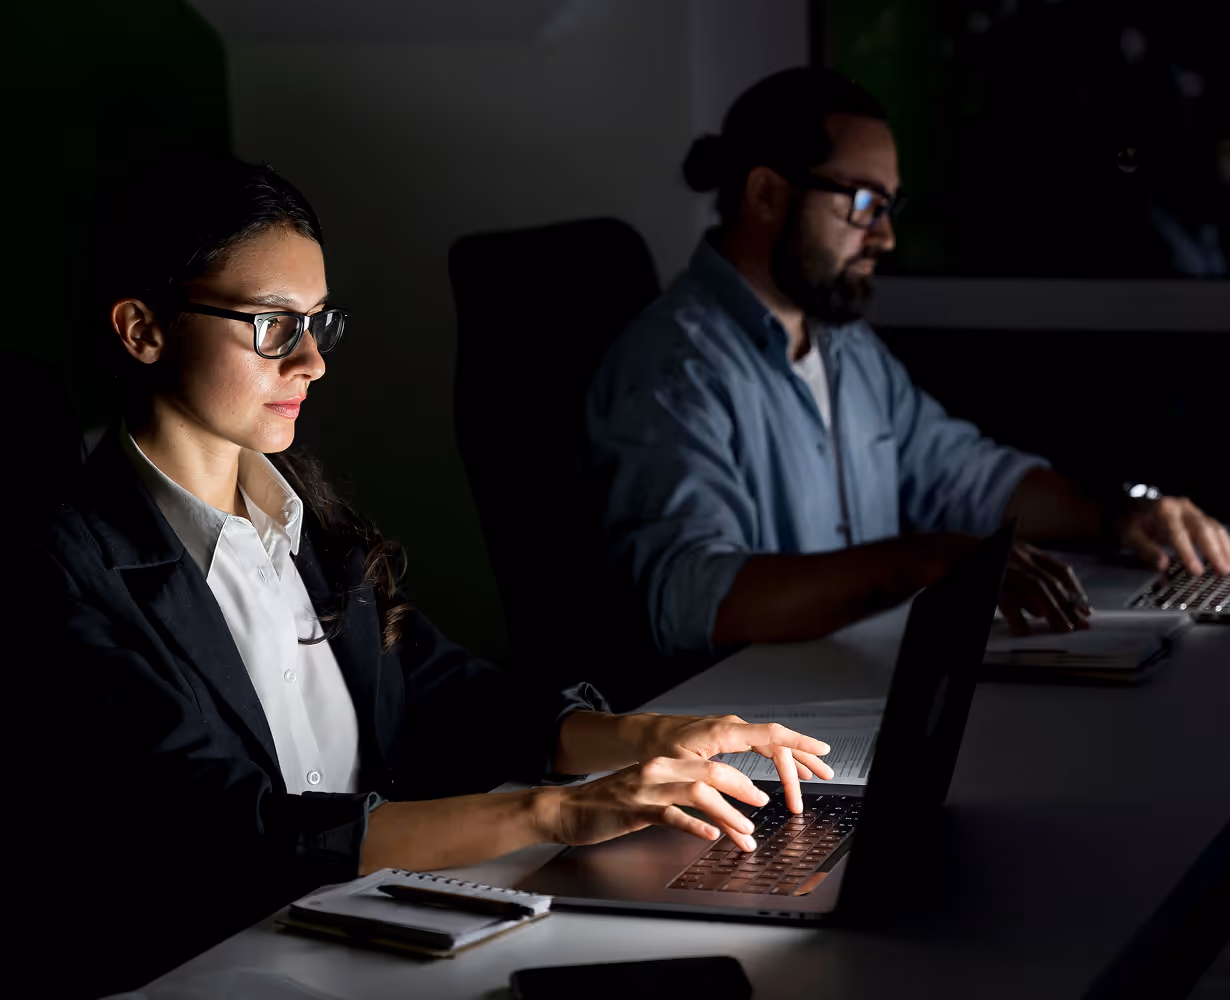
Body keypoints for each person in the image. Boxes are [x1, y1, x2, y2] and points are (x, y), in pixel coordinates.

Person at [12, 158, 832, 998]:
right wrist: (562, 812)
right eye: (270, 326)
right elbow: (233, 830)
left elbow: (438, 690)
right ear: (143, 330)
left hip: (359, 932)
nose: (311, 363)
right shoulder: (58, 570)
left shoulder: (302, 514)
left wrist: (644, 738)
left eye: (319, 324)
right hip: (214, 967)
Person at [584, 67, 1229, 666]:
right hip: (741, 728)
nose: (885, 237)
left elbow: (965, 476)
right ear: (764, 194)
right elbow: (691, 600)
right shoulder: (673, 367)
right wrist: (913, 562)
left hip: (850, 678)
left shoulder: (843, 345)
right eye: (863, 205)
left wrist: (1122, 513)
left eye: (890, 208)